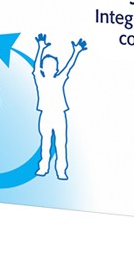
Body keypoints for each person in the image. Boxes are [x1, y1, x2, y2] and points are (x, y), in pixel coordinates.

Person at [33, 34, 87, 180]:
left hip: (59, 114)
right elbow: (35, 68)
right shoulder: (40, 79)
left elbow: (68, 66)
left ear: (56, 68)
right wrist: (40, 48)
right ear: (43, 68)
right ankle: (43, 168)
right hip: (45, 114)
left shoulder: (60, 79)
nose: (50, 67)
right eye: (47, 65)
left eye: (53, 65)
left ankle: (61, 170)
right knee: (45, 142)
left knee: (61, 143)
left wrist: (76, 51)